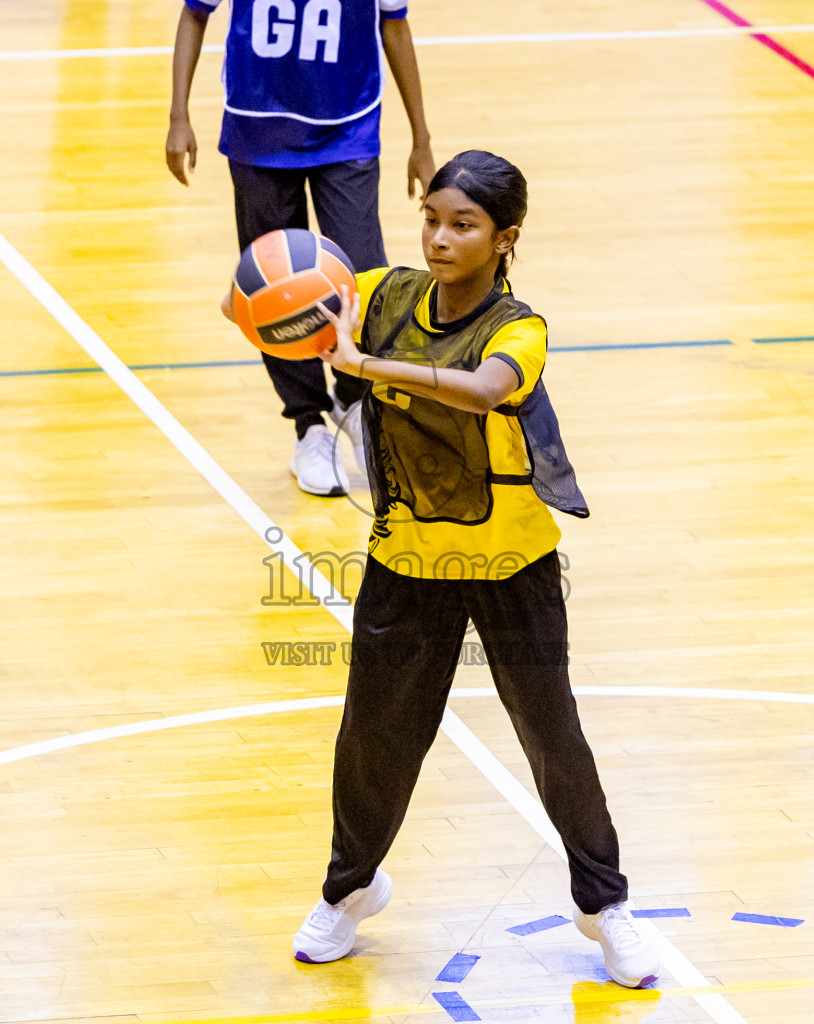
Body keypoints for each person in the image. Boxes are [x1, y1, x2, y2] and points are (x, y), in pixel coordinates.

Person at [225, 150, 665, 988]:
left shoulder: (518, 329)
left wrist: (362, 367)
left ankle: (605, 905)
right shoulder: (382, 292)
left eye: (462, 225)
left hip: (512, 564)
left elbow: (481, 390)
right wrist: (264, 291)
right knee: (374, 741)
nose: (438, 238)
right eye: (431, 218)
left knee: (552, 737)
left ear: (506, 239)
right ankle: (350, 889)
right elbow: (247, 300)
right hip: (405, 561)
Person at [168, 0, 435, 497]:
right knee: (274, 293)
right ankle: (308, 425)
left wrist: (421, 139)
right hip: (257, 133)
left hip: (348, 129)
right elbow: (193, 13)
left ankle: (356, 405)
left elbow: (395, 27)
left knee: (364, 282)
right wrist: (178, 114)